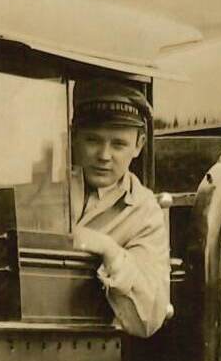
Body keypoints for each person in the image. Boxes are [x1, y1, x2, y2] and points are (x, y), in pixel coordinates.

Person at [67, 76, 172, 338]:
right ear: (73, 137)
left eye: (118, 144)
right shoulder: (42, 190)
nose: (104, 155)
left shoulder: (145, 212)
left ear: (139, 145)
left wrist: (108, 250)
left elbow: (148, 318)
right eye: (93, 140)